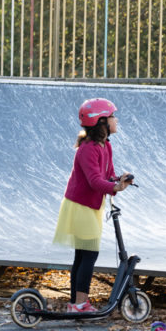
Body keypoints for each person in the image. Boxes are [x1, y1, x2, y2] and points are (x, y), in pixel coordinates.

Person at [52, 98, 133, 313]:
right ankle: (79, 304)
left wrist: (119, 179)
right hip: (80, 206)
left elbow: (107, 175)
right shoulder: (87, 149)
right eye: (113, 116)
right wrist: (115, 188)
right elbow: (94, 182)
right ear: (102, 121)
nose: (116, 120)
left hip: (91, 206)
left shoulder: (105, 146)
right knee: (88, 254)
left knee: (83, 254)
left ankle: (75, 303)